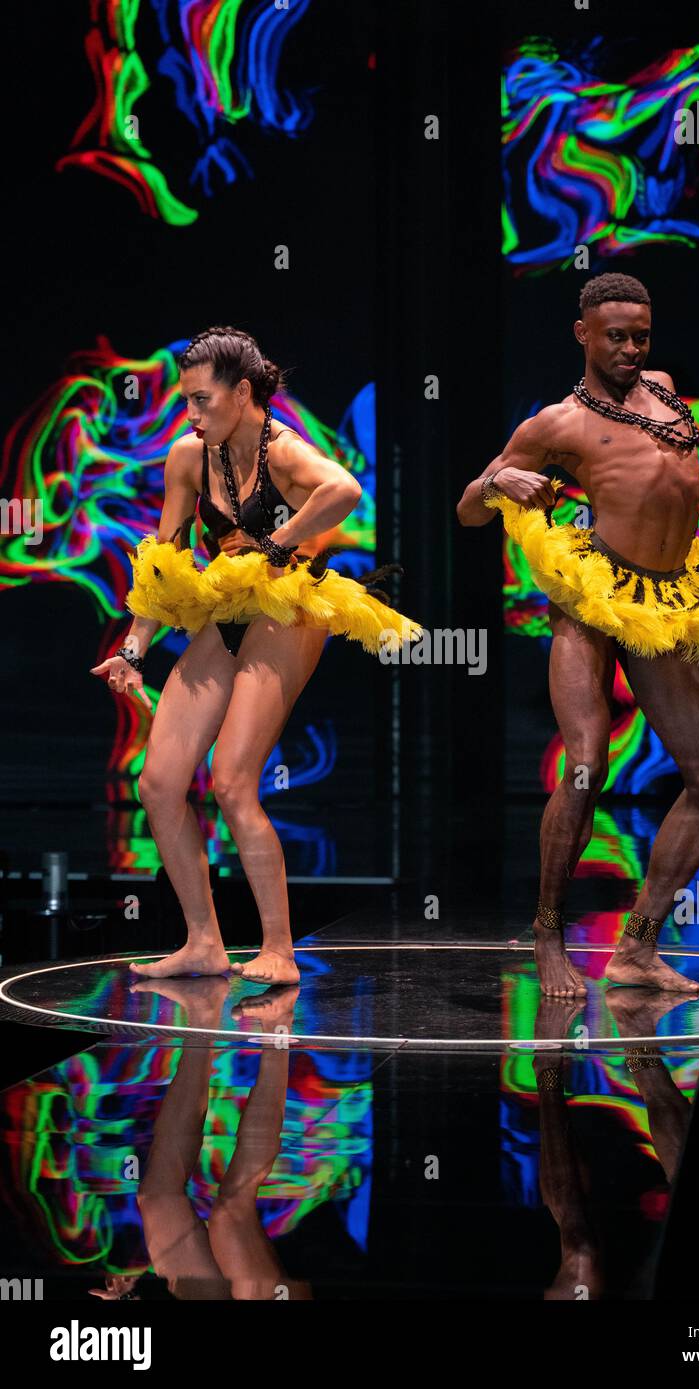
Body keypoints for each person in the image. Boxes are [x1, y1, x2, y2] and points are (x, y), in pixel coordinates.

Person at [457, 274, 699, 999]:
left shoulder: (666, 391)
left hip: (664, 598)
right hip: (591, 596)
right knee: (584, 765)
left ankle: (637, 948)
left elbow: (658, 479)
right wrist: (500, 482)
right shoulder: (556, 424)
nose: (631, 348)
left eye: (640, 334)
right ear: (582, 334)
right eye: (616, 336)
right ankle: (547, 937)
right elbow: (466, 510)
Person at [91, 326, 421, 984]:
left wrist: (279, 544)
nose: (191, 415)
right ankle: (204, 942)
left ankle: (279, 949)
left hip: (289, 609)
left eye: (203, 401)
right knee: (157, 784)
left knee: (234, 781)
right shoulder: (188, 458)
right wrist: (132, 651)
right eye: (185, 402)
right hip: (228, 608)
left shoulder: (287, 452)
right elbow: (162, 565)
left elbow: (345, 491)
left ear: (242, 393)